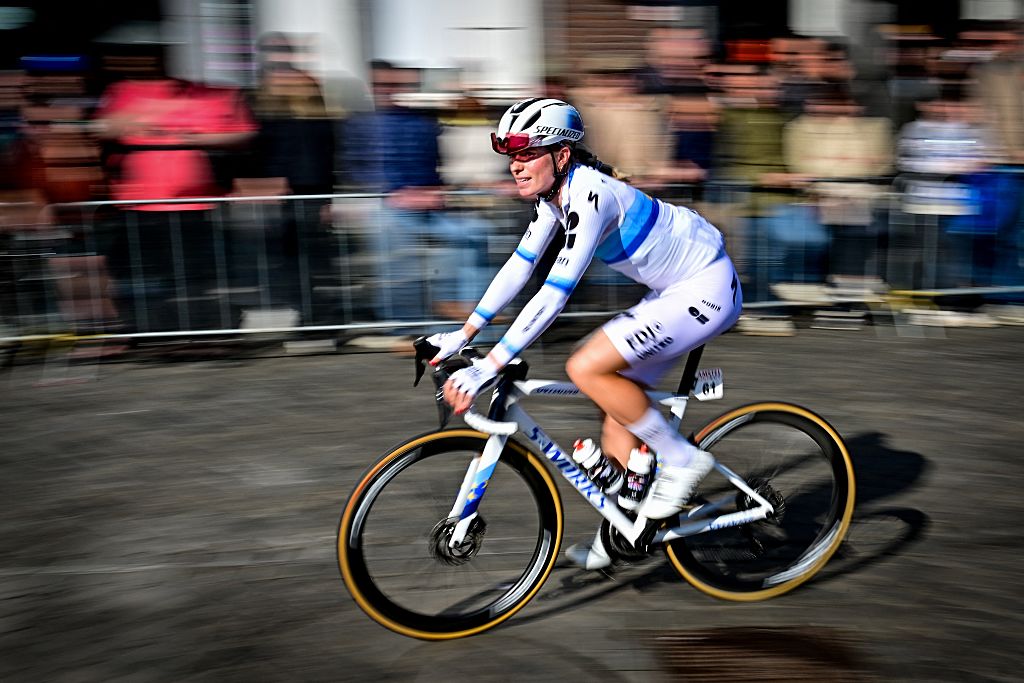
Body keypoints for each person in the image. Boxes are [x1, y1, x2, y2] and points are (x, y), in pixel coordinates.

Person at [424, 98, 742, 569]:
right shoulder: (553, 197)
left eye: (527, 153)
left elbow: (554, 293)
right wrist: (465, 332)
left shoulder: (590, 193)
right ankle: (625, 531)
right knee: (619, 403)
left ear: (562, 155)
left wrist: (490, 365)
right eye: (511, 155)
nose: (515, 165)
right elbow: (520, 265)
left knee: (585, 365)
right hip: (676, 289)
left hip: (704, 287)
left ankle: (681, 461)